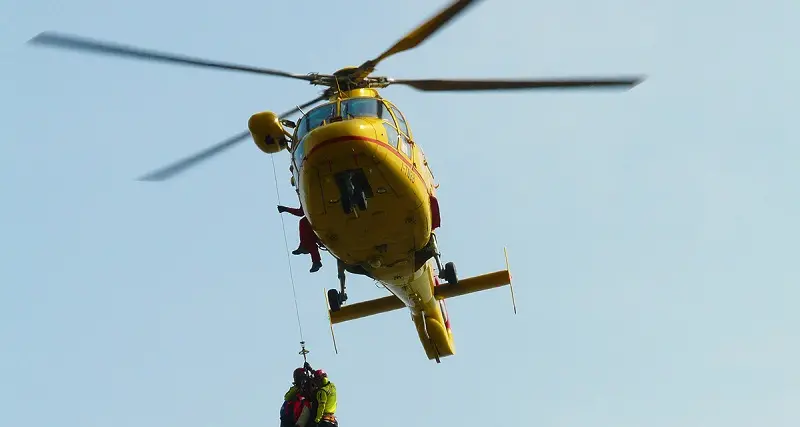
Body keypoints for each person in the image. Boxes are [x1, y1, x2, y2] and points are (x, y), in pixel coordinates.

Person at [277, 204, 322, 272]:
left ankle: (305, 248)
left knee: (303, 222)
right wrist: (285, 209)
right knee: (309, 237)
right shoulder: (303, 194)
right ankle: (315, 260)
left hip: (322, 215)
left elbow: (301, 212)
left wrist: (286, 209)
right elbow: (301, 212)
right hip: (317, 219)